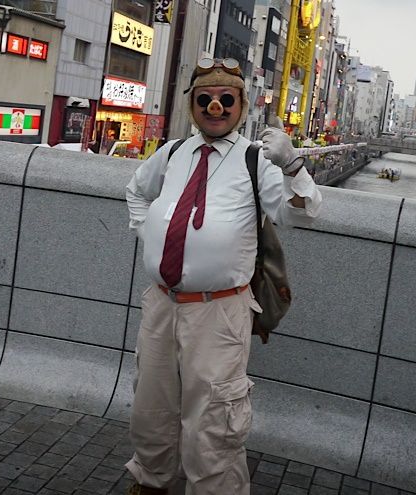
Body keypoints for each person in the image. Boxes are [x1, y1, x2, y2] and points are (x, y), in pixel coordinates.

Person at [124, 57, 322, 495]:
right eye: (205, 99)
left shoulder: (256, 160)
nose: (215, 107)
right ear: (193, 105)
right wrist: (148, 231)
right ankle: (151, 481)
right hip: (161, 303)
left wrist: (292, 165)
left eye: (226, 99)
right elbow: (136, 190)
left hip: (219, 310)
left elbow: (300, 215)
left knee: (214, 420)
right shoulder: (173, 152)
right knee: (151, 402)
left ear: (242, 105)